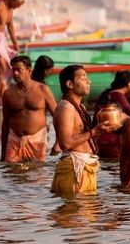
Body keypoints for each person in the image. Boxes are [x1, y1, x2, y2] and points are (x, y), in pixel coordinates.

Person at [50, 64, 115, 195]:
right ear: (70, 84)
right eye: (82, 78)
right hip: (74, 167)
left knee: (87, 212)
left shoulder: (81, 108)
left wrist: (99, 127)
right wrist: (93, 131)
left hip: (84, 165)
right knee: (74, 212)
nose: (88, 81)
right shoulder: (66, 107)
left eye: (87, 77)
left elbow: (86, 138)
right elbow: (65, 143)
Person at [0, 55, 57, 163]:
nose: (15, 73)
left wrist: (58, 142)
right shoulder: (8, 94)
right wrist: (2, 153)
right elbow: (5, 124)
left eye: (19, 70)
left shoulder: (43, 89)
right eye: (13, 70)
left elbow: (58, 116)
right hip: (14, 140)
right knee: (12, 175)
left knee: (36, 175)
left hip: (37, 140)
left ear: (29, 70)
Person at [94, 70, 130, 158]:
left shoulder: (107, 94)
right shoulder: (118, 96)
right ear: (129, 84)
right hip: (112, 143)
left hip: (99, 141)